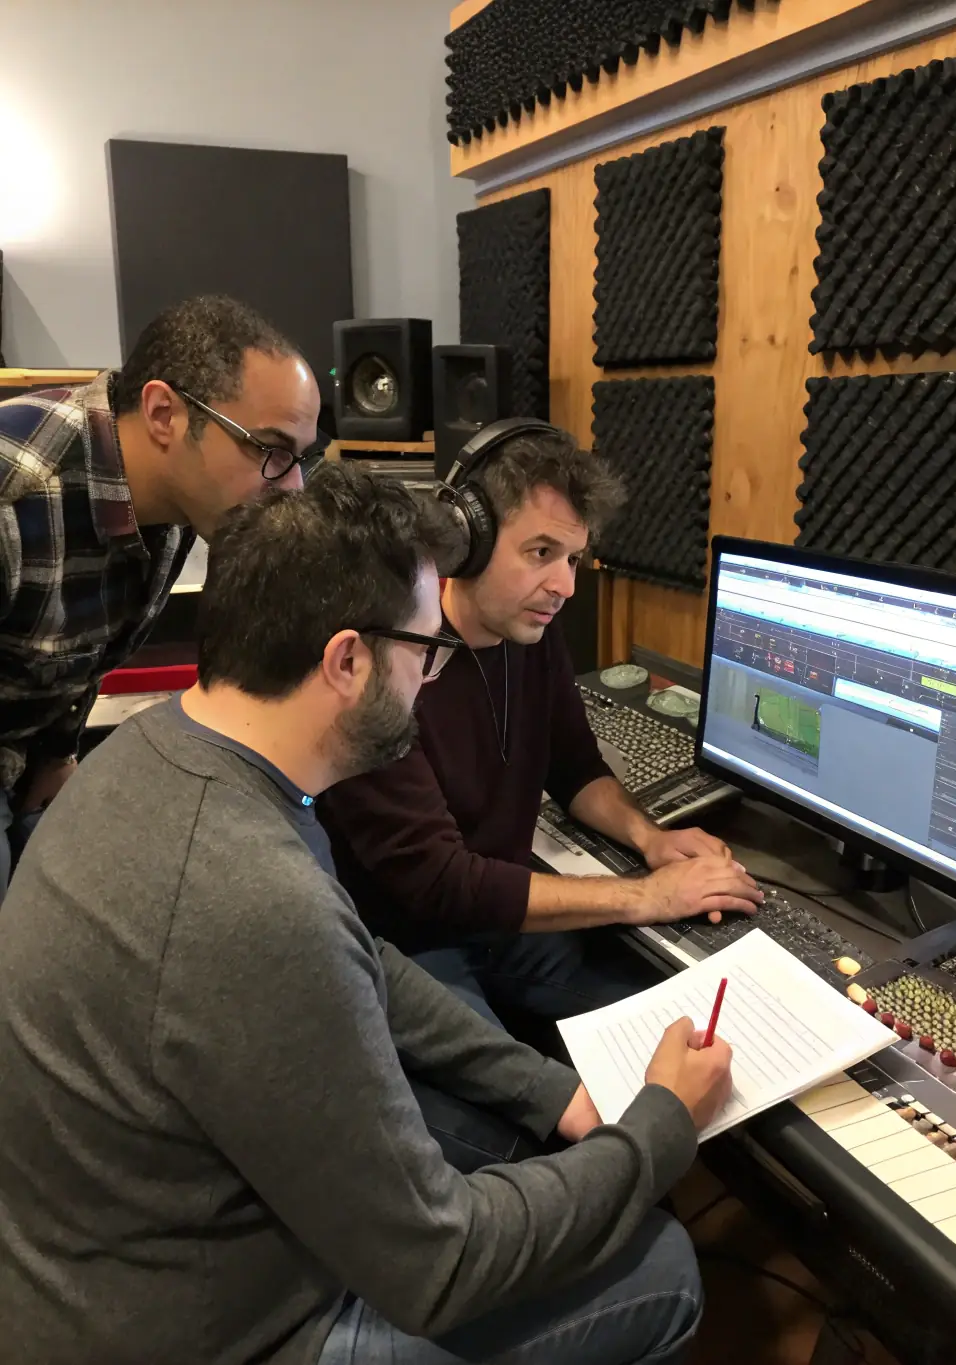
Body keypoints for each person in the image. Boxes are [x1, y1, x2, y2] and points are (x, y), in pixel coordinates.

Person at [0, 462, 734, 1365]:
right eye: (425, 650)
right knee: (661, 1263)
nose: (432, 678)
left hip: (106, 1262)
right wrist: (662, 1122)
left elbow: (363, 960)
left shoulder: (164, 748)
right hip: (216, 1330)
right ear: (347, 659)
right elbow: (443, 1262)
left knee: (526, 1142)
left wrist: (557, 1093)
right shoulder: (253, 895)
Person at [320, 419, 762, 1029]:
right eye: (541, 553)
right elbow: (439, 882)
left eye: (575, 558)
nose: (564, 586)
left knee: (676, 1019)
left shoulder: (532, 634)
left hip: (499, 919)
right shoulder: (393, 659)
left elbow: (575, 767)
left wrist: (650, 839)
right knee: (511, 1106)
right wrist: (645, 896)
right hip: (407, 945)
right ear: (464, 540)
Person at [0, 293, 322, 896]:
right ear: (163, 414)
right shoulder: (13, 498)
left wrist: (54, 752)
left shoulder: (175, 502)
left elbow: (69, 646)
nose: (294, 487)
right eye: (270, 450)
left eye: (301, 458)